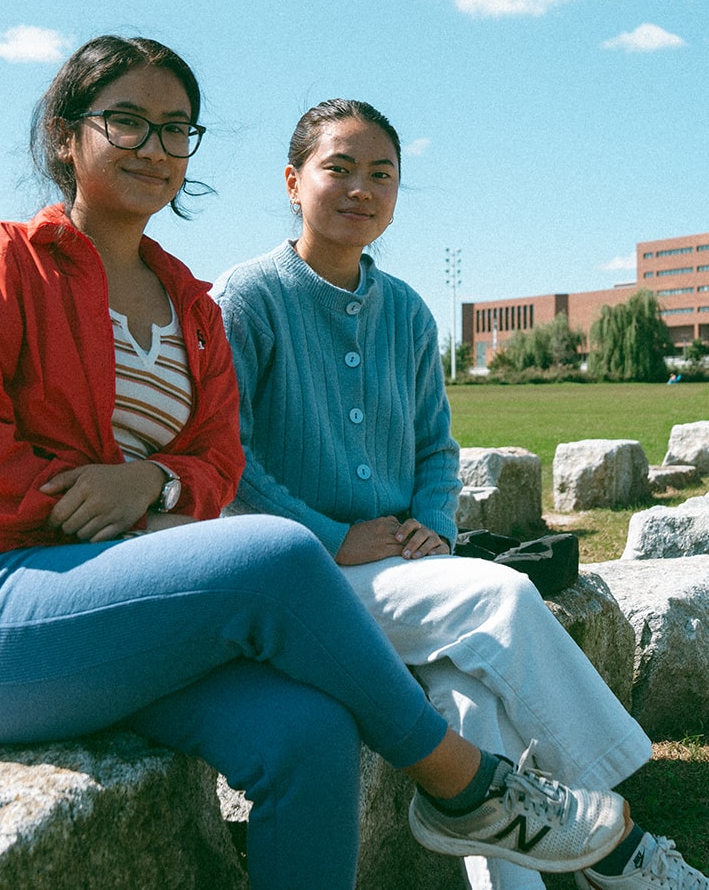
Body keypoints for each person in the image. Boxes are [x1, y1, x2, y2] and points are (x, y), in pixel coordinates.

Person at [0, 36, 633, 890]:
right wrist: (130, 511)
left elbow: (214, 461)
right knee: (275, 552)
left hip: (122, 605)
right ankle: (466, 787)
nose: (154, 148)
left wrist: (153, 483)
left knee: (311, 733)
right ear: (65, 136)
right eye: (125, 121)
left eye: (175, 129)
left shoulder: (191, 308)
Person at [212, 98, 709, 890]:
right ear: (292, 180)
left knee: (471, 696)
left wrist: (436, 523)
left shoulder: (406, 310)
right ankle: (617, 844)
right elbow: (221, 461)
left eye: (383, 174)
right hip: (299, 578)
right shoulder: (248, 298)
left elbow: (436, 449)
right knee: (504, 599)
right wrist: (330, 536)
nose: (360, 189)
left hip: (401, 571)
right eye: (337, 167)